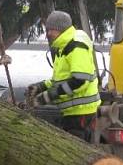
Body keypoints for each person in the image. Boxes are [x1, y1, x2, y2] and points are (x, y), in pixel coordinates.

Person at [28, 10, 101, 142]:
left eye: (52, 29)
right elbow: (60, 80)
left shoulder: (76, 46)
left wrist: (49, 96)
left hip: (81, 112)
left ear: (62, 29)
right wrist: (41, 87)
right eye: (48, 29)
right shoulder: (64, 47)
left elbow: (79, 81)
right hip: (74, 112)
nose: (48, 34)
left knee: (77, 155)